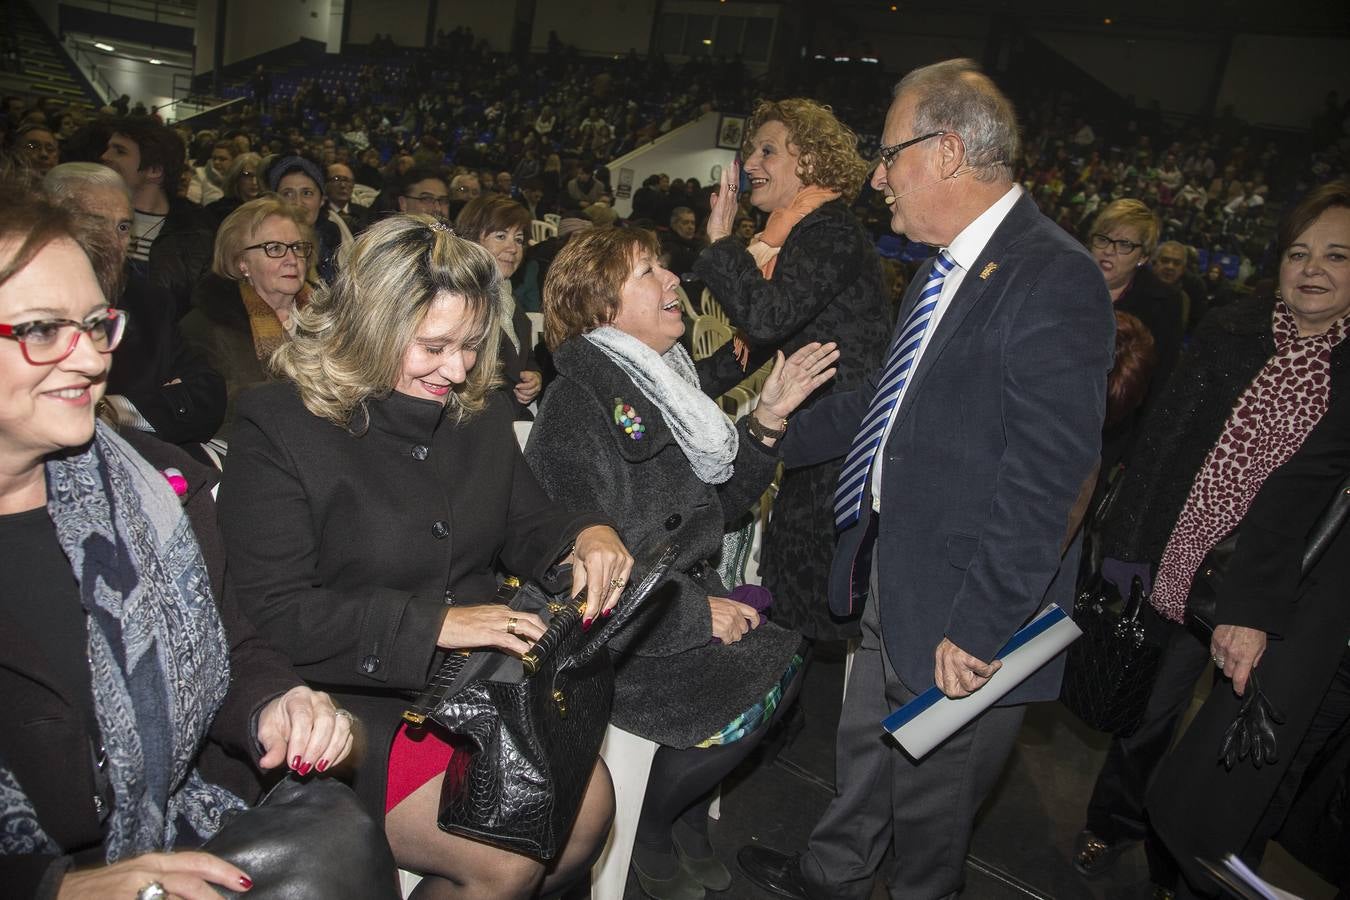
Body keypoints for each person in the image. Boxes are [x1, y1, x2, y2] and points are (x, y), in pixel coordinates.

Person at [735, 58, 1114, 899]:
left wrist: (983, 625)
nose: (876, 178)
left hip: (965, 607)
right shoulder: (944, 266)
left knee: (933, 820)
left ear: (945, 151)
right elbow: (889, 411)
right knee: (867, 747)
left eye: (888, 155)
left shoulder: (1052, 275)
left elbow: (1050, 476)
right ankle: (834, 873)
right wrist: (748, 443)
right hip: (894, 568)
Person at [216, 215, 631, 898]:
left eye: (471, 345)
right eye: (433, 346)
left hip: (466, 687)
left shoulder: (474, 407)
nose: (460, 368)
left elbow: (523, 518)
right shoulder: (280, 427)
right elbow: (273, 614)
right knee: (503, 855)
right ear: (367, 330)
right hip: (343, 702)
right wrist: (441, 623)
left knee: (587, 807)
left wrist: (586, 532)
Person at [0, 184, 354, 899]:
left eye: (97, 324)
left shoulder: (155, 489)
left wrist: (278, 703)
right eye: (42, 330)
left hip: (190, 830)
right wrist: (55, 888)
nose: (90, 360)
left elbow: (234, 645)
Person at [528, 227, 836, 899]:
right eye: (649, 273)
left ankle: (681, 814)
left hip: (675, 593)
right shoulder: (579, 406)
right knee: (773, 666)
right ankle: (654, 822)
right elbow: (570, 565)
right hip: (626, 629)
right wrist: (696, 615)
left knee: (786, 655)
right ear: (600, 306)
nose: (674, 282)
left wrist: (769, 418)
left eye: (666, 268)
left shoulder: (664, 385)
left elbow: (716, 511)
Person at [1073, 181, 1350, 891]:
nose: (1313, 269)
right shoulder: (1233, 330)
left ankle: (1181, 859)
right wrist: (1131, 552)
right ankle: (1112, 824)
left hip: (1278, 594)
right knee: (1148, 715)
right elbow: (1163, 443)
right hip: (1183, 562)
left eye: (1336, 256)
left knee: (1229, 748)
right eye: (1299, 253)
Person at [697, 97, 892, 641]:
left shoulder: (828, 231)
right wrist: (672, 386)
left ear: (810, 160)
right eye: (749, 150)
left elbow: (763, 319)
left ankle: (798, 719)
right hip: (819, 439)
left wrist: (720, 242)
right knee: (797, 597)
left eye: (767, 150)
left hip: (841, 445)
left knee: (811, 605)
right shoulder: (799, 234)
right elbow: (760, 342)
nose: (750, 163)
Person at [1147, 393, 1350, 899]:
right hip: (1325, 642)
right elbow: (1299, 485)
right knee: (1239, 798)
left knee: (1280, 799)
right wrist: (1251, 612)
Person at [43, 162, 226, 448]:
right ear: (47, 225)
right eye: (95, 224)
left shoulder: (150, 303)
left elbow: (208, 396)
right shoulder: (20, 305)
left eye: (123, 226)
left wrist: (118, 410)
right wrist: (159, 401)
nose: (114, 241)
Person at [182, 197, 316, 430]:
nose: (292, 260)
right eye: (274, 249)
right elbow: (218, 409)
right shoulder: (207, 326)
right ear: (242, 263)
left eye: (297, 247)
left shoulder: (330, 316)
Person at [101, 117, 216, 320]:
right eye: (108, 148)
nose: (105, 156)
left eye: (119, 151)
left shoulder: (197, 234)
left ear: (154, 170)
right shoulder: (88, 217)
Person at [1088, 199, 1185, 405]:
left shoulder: (1164, 303)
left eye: (1124, 244)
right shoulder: (1063, 282)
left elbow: (1160, 380)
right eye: (1103, 239)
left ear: (1143, 257)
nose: (1108, 250)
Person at [455, 194, 542, 415]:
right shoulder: (462, 300)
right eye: (501, 236)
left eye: (519, 239)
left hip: (507, 416)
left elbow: (525, 356)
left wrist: (534, 376)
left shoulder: (507, 296)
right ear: (472, 239)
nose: (513, 248)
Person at [268, 155, 346, 283]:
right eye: (288, 193)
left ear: (322, 200)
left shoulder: (329, 234)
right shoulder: (265, 245)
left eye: (306, 193)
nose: (298, 202)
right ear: (275, 200)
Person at [205, 151, 262, 224]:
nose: (254, 182)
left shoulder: (269, 208)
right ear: (236, 177)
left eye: (258, 175)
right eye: (247, 175)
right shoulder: (216, 211)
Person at [326, 161, 374, 234]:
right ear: (326, 184)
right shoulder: (319, 214)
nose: (343, 185)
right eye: (336, 179)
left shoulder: (365, 214)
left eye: (348, 180)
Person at [187, 139, 236, 206]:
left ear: (234, 161)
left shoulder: (238, 179)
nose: (216, 162)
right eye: (214, 158)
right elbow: (192, 203)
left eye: (222, 159)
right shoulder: (200, 174)